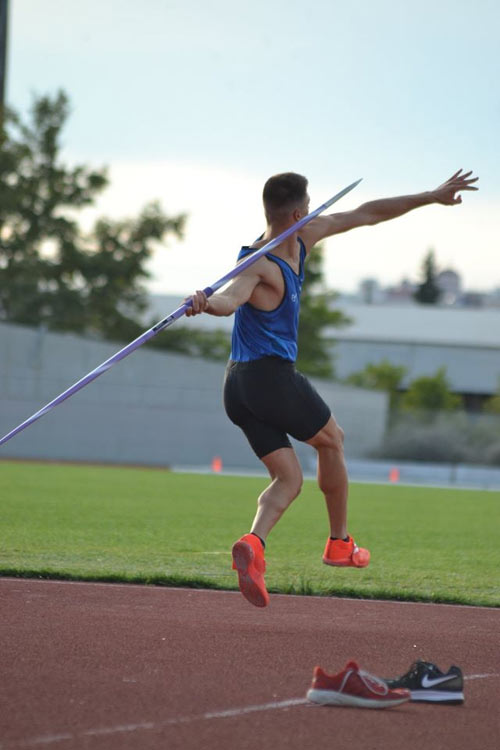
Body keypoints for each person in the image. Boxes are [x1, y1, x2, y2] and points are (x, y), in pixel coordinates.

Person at [186, 169, 478, 608]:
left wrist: (430, 196)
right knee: (333, 440)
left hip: (237, 388)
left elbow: (367, 214)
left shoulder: (305, 236)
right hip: (270, 378)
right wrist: (207, 303)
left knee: (288, 479)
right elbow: (232, 297)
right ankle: (339, 543)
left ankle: (253, 545)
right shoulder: (259, 262)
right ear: (300, 212)